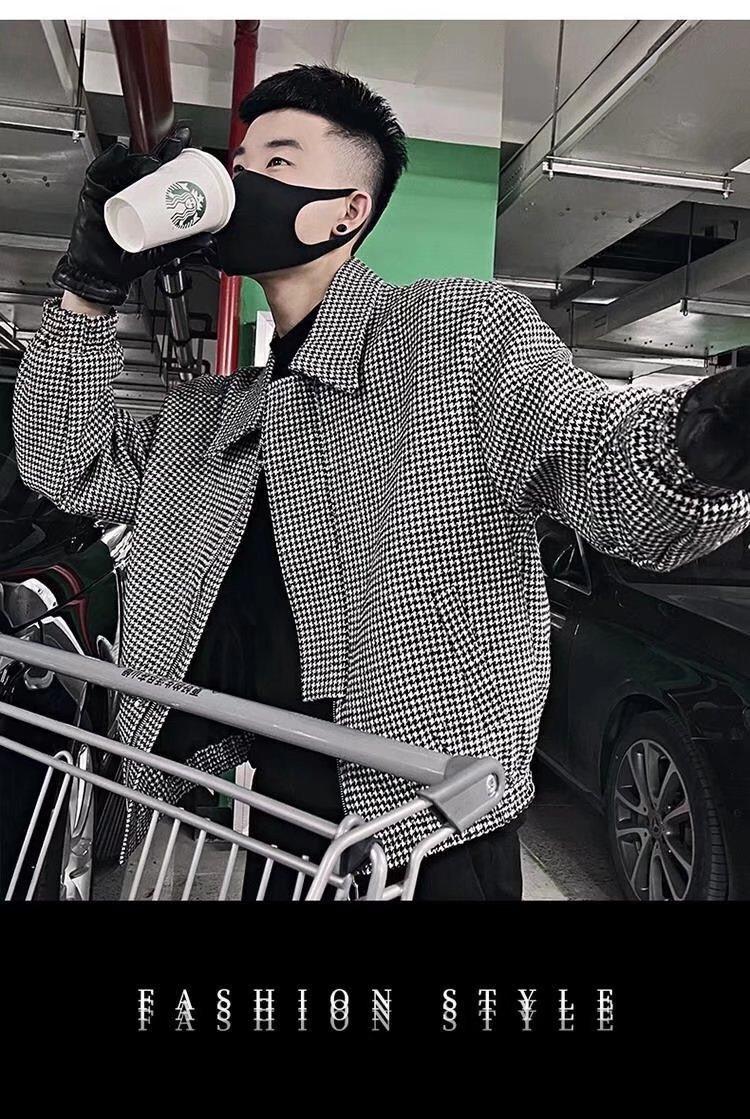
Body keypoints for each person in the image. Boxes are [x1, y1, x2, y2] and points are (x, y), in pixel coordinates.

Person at [11, 64, 750, 902]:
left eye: (277, 162)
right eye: (238, 163)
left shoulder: (453, 336)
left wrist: (707, 437)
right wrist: (90, 287)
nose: (242, 180)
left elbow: (593, 454)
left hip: (430, 838)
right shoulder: (210, 415)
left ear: (347, 211)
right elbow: (61, 461)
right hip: (279, 833)